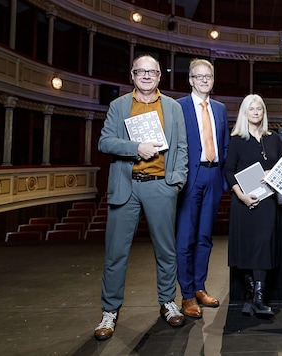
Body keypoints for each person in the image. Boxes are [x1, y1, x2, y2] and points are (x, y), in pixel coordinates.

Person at [94, 54, 189, 341]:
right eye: (141, 71)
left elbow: (182, 147)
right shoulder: (118, 105)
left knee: (166, 250)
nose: (146, 76)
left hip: (161, 186)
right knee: (116, 253)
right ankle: (109, 312)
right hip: (127, 186)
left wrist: (177, 182)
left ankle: (168, 303)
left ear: (160, 76)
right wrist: (136, 148)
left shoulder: (172, 107)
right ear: (132, 75)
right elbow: (105, 141)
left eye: (152, 72)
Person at [175, 58, 230, 318]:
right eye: (199, 76)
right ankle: (186, 295)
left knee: (205, 238)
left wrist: (224, 180)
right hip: (190, 178)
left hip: (214, 178)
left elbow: (225, 145)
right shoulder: (179, 107)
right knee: (186, 239)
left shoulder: (219, 108)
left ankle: (199, 287)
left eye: (208, 76)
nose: (204, 80)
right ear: (190, 80)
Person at [224, 94, 282, 318]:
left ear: (264, 112)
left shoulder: (274, 138)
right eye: (252, 109)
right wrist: (241, 196)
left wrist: (274, 173)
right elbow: (229, 170)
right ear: (245, 113)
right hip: (243, 202)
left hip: (267, 203)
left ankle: (258, 298)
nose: (256, 112)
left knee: (262, 246)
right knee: (245, 248)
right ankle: (251, 295)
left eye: (259, 108)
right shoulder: (237, 139)